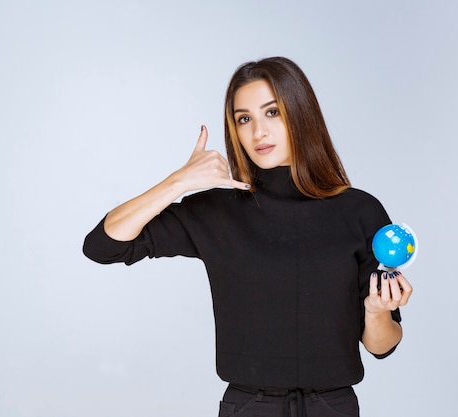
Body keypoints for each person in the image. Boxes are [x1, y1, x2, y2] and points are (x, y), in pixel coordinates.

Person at [83, 56, 413, 417]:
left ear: (300, 114)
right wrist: (178, 181)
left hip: (333, 407)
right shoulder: (217, 210)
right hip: (249, 407)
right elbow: (103, 245)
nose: (259, 132)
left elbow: (381, 346)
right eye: (245, 119)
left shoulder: (359, 210)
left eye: (272, 113)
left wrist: (376, 310)